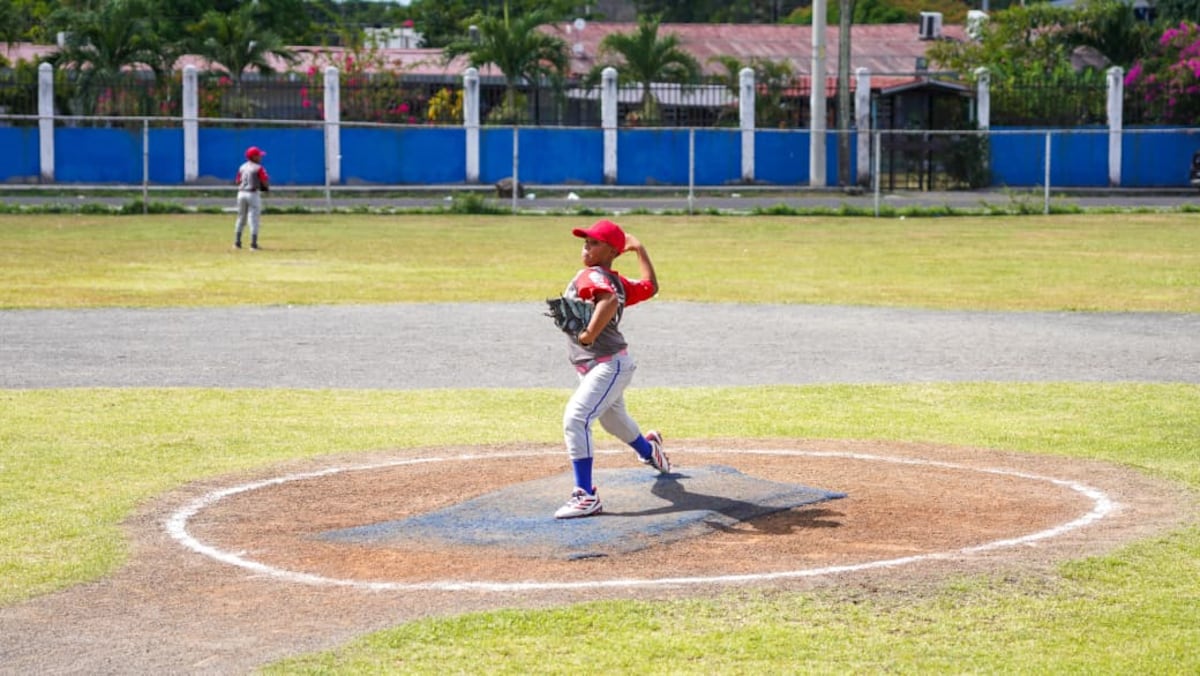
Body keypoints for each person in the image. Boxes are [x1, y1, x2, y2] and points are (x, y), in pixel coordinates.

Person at [554, 219, 670, 519]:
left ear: (610, 251)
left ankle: (585, 496)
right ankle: (650, 450)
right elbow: (650, 287)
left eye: (594, 242)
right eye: (586, 241)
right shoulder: (617, 281)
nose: (586, 246)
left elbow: (605, 300)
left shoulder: (591, 276)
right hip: (600, 366)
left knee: (576, 419)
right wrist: (641, 250)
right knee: (614, 423)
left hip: (608, 365)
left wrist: (590, 333)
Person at [233, 146, 270, 250]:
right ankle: (253, 244)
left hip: (241, 193)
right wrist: (266, 188)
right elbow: (264, 181)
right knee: (254, 218)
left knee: (241, 217)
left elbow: (237, 181)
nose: (260, 157)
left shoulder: (242, 167)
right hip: (252, 193)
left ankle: (237, 243)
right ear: (253, 157)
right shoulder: (258, 167)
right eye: (259, 155)